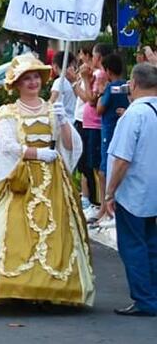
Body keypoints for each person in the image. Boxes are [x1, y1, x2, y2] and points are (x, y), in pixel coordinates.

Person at [0, 54, 93, 306]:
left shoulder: (51, 109)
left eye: (35, 77)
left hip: (52, 180)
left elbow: (68, 145)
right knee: (13, 230)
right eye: (26, 79)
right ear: (17, 84)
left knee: (55, 232)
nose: (32, 82)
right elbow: (7, 146)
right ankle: (15, 285)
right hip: (22, 179)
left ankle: (50, 289)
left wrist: (64, 121)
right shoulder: (8, 112)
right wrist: (36, 153)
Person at [103, 62, 157, 316]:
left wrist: (109, 192)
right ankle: (153, 295)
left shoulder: (134, 115)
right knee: (151, 246)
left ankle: (145, 300)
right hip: (152, 191)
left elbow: (122, 159)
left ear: (133, 84)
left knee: (133, 247)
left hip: (134, 192)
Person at [74, 43, 112, 216]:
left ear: (98, 58)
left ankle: (101, 204)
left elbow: (90, 99)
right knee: (90, 165)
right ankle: (96, 202)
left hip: (94, 125)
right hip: (89, 124)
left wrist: (79, 82)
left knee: (96, 167)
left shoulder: (101, 74)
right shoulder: (95, 74)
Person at [95, 52, 130, 224]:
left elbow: (99, 109)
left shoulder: (111, 87)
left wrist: (101, 92)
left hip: (108, 132)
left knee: (104, 171)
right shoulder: (127, 85)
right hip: (122, 131)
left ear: (108, 71)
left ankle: (106, 208)